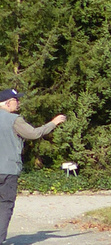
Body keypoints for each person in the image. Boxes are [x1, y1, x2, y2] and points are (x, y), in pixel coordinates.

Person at [1, 88, 65, 244]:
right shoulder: (14, 120)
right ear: (8, 103)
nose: (18, 103)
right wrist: (53, 123)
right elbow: (34, 134)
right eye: (16, 100)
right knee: (5, 205)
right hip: (7, 170)